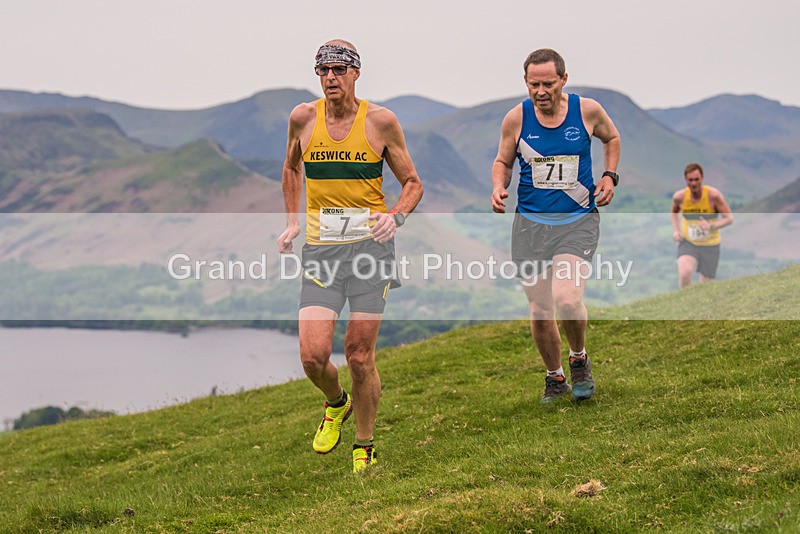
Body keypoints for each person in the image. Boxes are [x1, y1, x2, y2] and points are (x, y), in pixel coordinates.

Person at [278, 39, 423, 473]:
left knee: (359, 355)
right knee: (312, 355)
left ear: (356, 73)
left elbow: (413, 183)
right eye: (323, 71)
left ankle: (364, 445)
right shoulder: (303, 118)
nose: (330, 78)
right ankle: (334, 402)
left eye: (339, 70)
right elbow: (291, 167)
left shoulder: (380, 122)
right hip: (322, 250)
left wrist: (394, 217)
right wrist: (291, 221)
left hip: (370, 251)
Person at [491, 48, 620, 404]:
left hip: (576, 222)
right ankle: (554, 377)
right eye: (534, 84)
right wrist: (499, 185)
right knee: (540, 309)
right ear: (526, 82)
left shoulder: (587, 111)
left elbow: (611, 138)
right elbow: (503, 160)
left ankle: (578, 358)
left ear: (564, 79)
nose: (541, 91)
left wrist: (609, 176)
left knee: (566, 298)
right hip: (530, 225)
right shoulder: (516, 119)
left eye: (548, 83)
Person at [670, 162, 733, 288]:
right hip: (688, 242)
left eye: (696, 180)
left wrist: (711, 226)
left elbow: (728, 219)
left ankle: (700, 306)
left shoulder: (714, 196)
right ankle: (685, 302)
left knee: (706, 285)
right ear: (686, 180)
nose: (694, 183)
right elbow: (674, 212)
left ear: (702, 179)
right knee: (684, 273)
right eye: (690, 180)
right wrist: (676, 230)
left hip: (710, 244)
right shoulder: (680, 197)